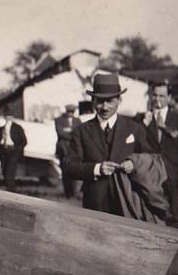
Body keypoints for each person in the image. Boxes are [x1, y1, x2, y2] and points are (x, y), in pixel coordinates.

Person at [62, 73, 153, 216]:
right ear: (92, 101)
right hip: (95, 206)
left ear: (119, 100)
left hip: (128, 202)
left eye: (109, 101)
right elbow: (69, 166)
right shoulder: (81, 131)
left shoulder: (134, 128)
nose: (104, 107)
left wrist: (134, 163)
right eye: (99, 101)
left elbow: (150, 157)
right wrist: (97, 169)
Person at [138, 81, 178, 226]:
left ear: (169, 98)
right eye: (154, 95)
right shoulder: (143, 118)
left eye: (162, 96)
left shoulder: (177, 119)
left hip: (172, 172)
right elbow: (138, 143)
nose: (157, 99)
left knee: (174, 212)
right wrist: (143, 125)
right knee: (150, 209)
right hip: (150, 171)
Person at [55, 104, 83, 198]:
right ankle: (68, 193)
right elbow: (60, 133)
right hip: (63, 149)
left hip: (74, 150)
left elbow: (80, 133)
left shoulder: (78, 121)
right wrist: (72, 134)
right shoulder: (59, 120)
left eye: (72, 112)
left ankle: (74, 192)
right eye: (69, 112)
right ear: (66, 111)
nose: (70, 114)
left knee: (74, 170)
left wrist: (69, 132)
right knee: (65, 171)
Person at [0, 114, 28, 192]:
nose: (8, 118)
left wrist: (17, 150)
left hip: (13, 152)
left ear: (13, 118)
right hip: (4, 151)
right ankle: (9, 189)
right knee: (4, 172)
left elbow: (24, 141)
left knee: (10, 173)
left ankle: (11, 191)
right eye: (7, 117)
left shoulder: (18, 128)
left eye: (10, 117)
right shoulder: (1, 128)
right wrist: (0, 149)